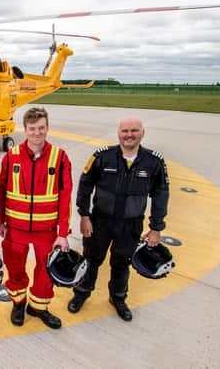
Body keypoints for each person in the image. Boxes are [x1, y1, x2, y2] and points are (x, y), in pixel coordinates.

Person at [68, 117, 169, 321]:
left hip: (130, 224)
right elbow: (85, 185)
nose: (129, 135)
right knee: (90, 260)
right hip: (100, 222)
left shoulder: (153, 162)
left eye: (134, 130)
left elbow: (161, 194)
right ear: (118, 133)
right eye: (125, 131)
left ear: (142, 133)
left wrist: (156, 227)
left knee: (122, 263)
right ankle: (81, 293)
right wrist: (84, 215)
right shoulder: (102, 157)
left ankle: (118, 297)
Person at [0, 107, 72, 329]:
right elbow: (1, 190)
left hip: (47, 231)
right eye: (32, 129)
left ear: (47, 128)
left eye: (41, 128)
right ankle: (18, 303)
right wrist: (0, 220)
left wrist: (63, 232)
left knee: (45, 272)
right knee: (15, 268)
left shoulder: (60, 157)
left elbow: (65, 195)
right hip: (15, 229)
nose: (37, 133)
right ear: (26, 130)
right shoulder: (11, 156)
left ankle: (39, 307)